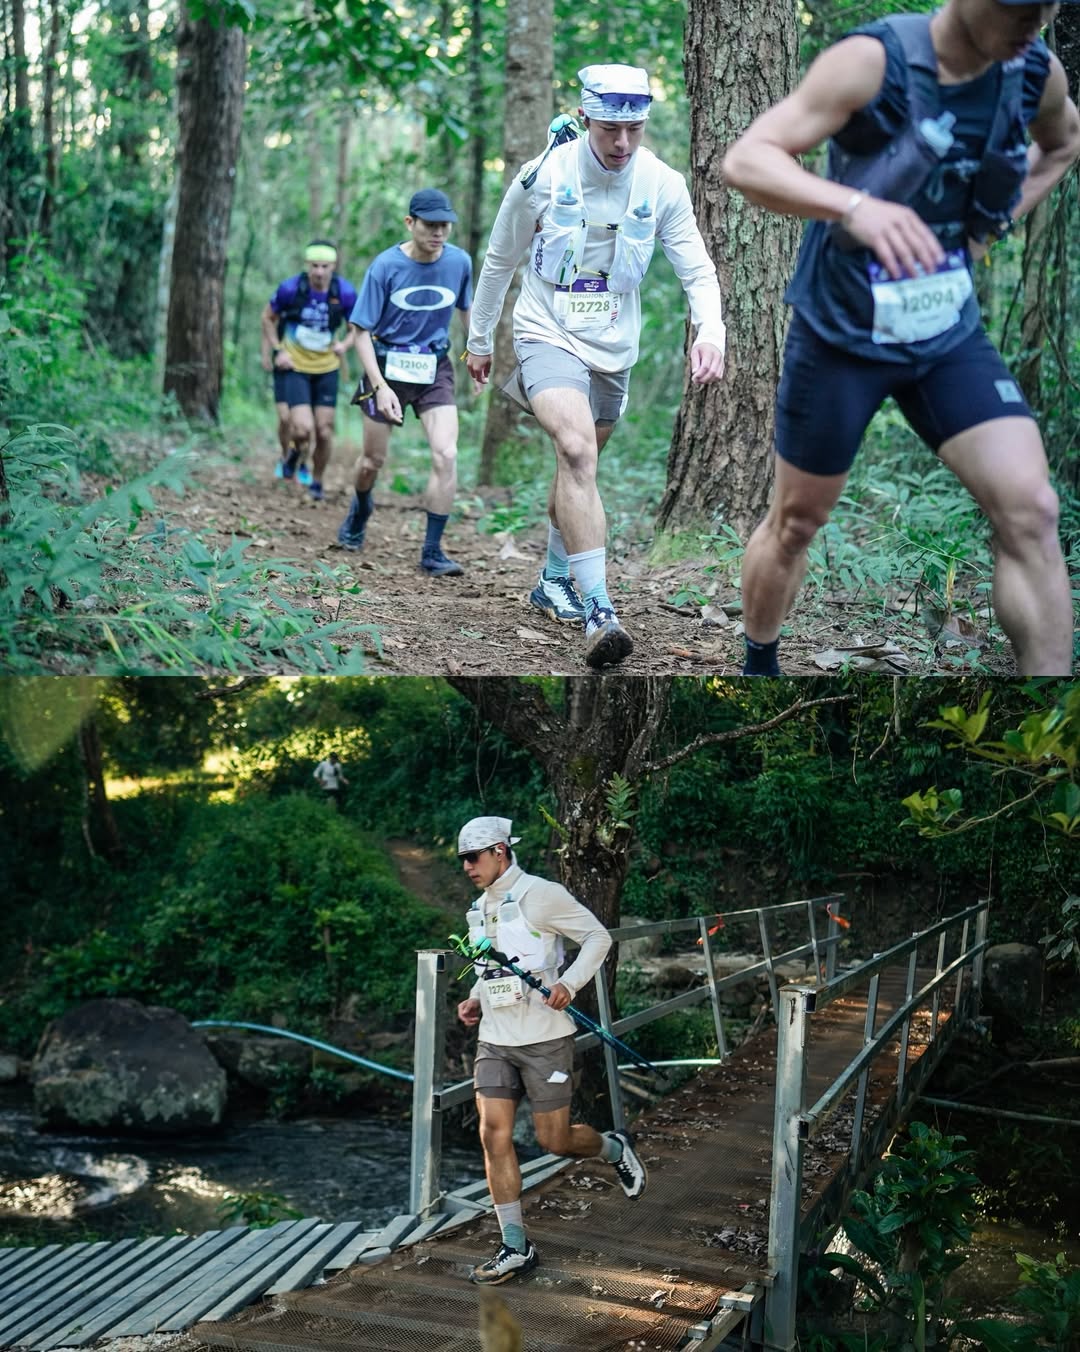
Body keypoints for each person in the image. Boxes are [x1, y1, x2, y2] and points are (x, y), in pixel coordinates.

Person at [722, 0, 1080, 677]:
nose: (1034, 19)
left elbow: (1062, 143)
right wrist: (856, 205)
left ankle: (1051, 707)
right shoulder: (873, 62)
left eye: (1048, 6)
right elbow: (746, 161)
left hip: (945, 332)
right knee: (797, 522)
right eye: (1019, 5)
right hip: (842, 337)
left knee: (1031, 509)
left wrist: (987, 227)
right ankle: (759, 663)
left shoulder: (1035, 69)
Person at [465, 65, 727, 669]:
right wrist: (480, 341)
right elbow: (499, 263)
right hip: (546, 326)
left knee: (578, 463)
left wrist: (709, 332)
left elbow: (697, 269)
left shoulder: (662, 184)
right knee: (578, 451)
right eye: (611, 129)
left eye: (635, 129)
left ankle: (553, 578)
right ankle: (600, 610)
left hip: (614, 341)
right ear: (585, 119)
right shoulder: (540, 179)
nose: (623, 144)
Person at [454, 815, 647, 1286]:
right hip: (496, 1040)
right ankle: (516, 1246)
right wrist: (477, 998)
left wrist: (568, 984)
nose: (466, 867)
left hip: (545, 1038)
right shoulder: (480, 908)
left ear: (500, 850)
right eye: (461, 860)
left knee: (553, 1140)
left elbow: (598, 937)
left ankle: (612, 1147)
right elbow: (492, 968)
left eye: (473, 858)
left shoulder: (543, 895)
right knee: (493, 1135)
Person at [336, 189, 474, 577]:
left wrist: (476, 360)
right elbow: (360, 330)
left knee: (446, 454)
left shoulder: (459, 262)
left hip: (434, 366)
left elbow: (467, 312)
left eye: (444, 226)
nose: (438, 233)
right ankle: (360, 508)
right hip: (385, 365)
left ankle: (432, 550)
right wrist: (379, 386)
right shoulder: (386, 266)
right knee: (372, 461)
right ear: (410, 223)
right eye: (430, 226)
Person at [262, 242, 359, 502]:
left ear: (333, 266)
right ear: (307, 266)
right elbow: (267, 318)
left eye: (324, 266)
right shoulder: (291, 289)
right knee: (302, 428)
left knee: (324, 430)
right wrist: (277, 350)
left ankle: (317, 481)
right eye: (314, 266)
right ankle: (292, 455)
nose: (319, 272)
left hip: (327, 368)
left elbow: (358, 327)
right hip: (295, 367)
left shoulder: (345, 292)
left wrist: (345, 345)